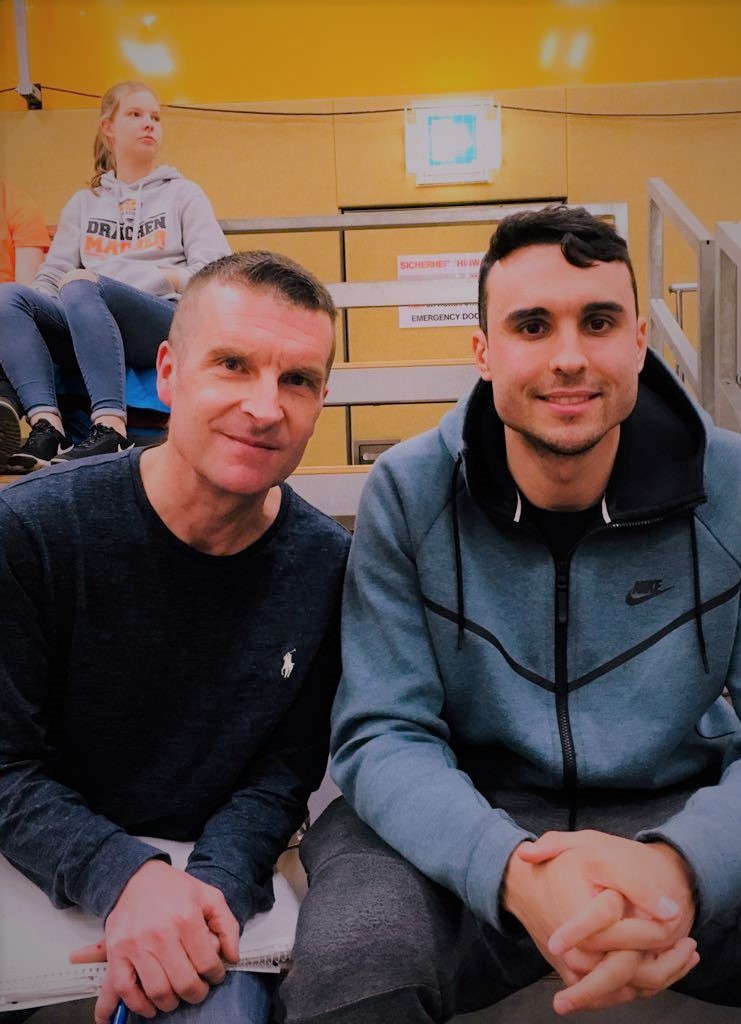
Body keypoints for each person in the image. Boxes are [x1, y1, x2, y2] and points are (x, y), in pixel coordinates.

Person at [279, 206, 741, 1023]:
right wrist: (513, 870)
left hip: (683, 806)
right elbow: (382, 732)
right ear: (483, 351)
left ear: (639, 341)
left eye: (598, 322)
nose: (568, 357)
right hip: (465, 816)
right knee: (355, 964)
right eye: (532, 325)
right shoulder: (408, 491)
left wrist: (683, 865)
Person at [0, 250, 350, 1024]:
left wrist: (208, 895)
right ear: (167, 373)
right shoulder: (30, 531)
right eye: (232, 364)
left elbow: (281, 774)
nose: (265, 407)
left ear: (322, 399)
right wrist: (125, 877)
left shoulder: (327, 565)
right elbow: (4, 764)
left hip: (205, 885)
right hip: (29, 862)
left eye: (297, 379)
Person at [0, 79, 230, 474]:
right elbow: (51, 273)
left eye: (155, 117)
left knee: (80, 284)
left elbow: (216, 272)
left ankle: (110, 426)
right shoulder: (83, 203)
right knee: (9, 297)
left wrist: (160, 278)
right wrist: (41, 316)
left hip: (162, 318)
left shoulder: (183, 194)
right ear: (108, 127)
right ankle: (46, 425)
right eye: (136, 114)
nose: (149, 124)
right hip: (87, 315)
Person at [0, 179, 50, 470]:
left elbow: (25, 294)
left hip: (5, 323)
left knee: (9, 319)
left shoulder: (16, 205)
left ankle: (4, 404)